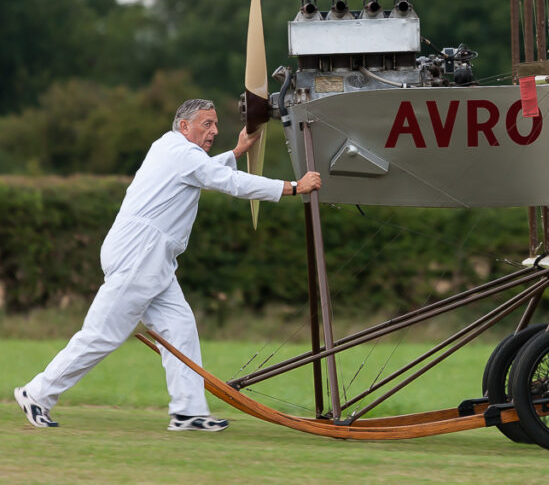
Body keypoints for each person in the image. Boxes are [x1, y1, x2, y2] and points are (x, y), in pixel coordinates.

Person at [14, 98, 321, 432]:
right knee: (101, 335)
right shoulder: (181, 153)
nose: (214, 131)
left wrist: (234, 154)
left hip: (152, 259)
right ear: (184, 126)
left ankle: (188, 413)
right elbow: (228, 183)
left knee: (180, 329)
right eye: (207, 124)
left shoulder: (174, 150)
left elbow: (206, 173)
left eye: (216, 124)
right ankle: (37, 393)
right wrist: (292, 187)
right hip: (139, 256)